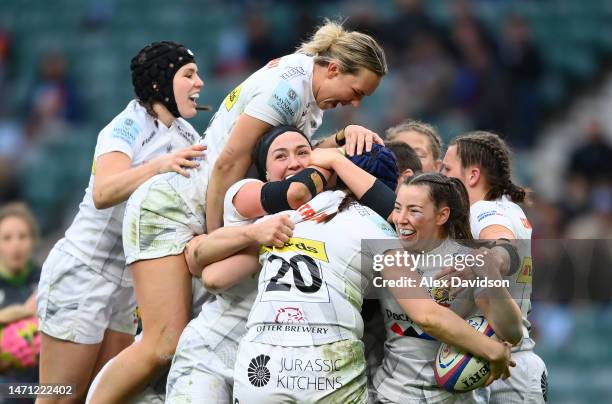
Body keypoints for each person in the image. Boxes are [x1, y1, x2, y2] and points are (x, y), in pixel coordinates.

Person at [91, 20, 389, 404]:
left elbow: (292, 153)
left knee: (170, 345)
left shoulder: (304, 87)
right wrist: (218, 237)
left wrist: (344, 138)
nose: (355, 103)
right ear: (333, 69)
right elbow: (230, 160)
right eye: (355, 92)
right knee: (161, 344)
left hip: (201, 209)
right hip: (170, 207)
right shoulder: (288, 89)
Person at [36, 40, 205, 403]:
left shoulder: (187, 136)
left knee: (110, 397)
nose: (200, 83)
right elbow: (104, 191)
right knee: (60, 397)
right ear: (161, 83)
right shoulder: (127, 125)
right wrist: (157, 166)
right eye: (189, 74)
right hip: (84, 271)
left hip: (130, 283)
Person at [373, 172, 522, 403]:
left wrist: (491, 275)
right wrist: (492, 350)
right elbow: (428, 317)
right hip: (395, 395)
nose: (400, 218)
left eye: (414, 211)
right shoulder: (389, 255)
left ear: (442, 215)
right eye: (398, 207)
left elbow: (512, 334)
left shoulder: (467, 262)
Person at [441, 131, 548, 403]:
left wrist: (483, 261)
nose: (441, 176)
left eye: (447, 169)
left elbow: (501, 246)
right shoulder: (511, 209)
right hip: (518, 361)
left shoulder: (481, 211)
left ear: (473, 175)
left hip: (502, 368)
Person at [0, 202, 40, 392]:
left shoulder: (48, 280)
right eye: (7, 238)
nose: (16, 244)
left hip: (46, 388)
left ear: (33, 240)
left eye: (22, 236)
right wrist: (24, 313)